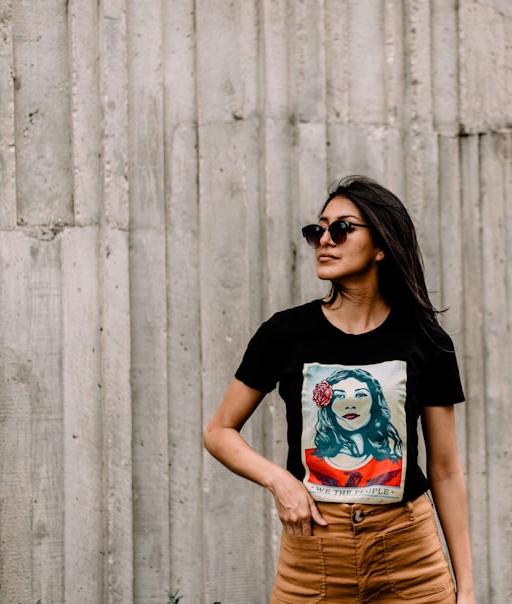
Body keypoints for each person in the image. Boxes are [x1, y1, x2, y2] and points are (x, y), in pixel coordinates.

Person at [204, 175, 477, 603]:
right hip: (314, 554)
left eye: (341, 229)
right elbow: (219, 431)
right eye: (318, 230)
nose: (324, 241)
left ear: (382, 245)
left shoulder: (427, 340)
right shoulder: (285, 333)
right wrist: (280, 481)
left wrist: (467, 588)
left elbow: (445, 469)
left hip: (409, 556)